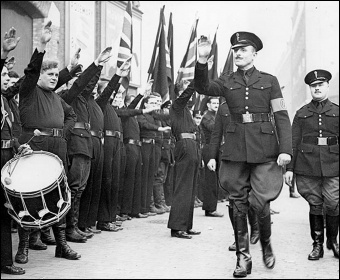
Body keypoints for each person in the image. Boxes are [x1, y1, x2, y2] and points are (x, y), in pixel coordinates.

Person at [195, 32, 292, 277]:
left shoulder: (270, 81)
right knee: (237, 203)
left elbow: (281, 116)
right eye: (235, 50)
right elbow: (203, 87)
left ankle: (267, 243)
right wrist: (202, 60)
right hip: (235, 150)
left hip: (264, 149)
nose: (238, 53)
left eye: (243, 49)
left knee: (260, 203)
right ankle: (243, 257)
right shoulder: (226, 80)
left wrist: (285, 150)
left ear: (254, 54)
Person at [18, 21, 80, 260]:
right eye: (50, 74)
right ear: (40, 76)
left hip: (57, 148)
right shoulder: (29, 91)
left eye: (57, 74)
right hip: (34, 147)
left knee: (60, 195)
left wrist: (63, 133)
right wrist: (41, 46)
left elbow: (71, 115)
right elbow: (31, 72)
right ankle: (23, 247)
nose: (55, 78)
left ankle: (61, 245)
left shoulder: (56, 98)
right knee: (31, 195)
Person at [284, 69, 339, 260]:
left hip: (334, 164)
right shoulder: (301, 114)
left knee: (333, 203)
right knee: (315, 204)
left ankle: (333, 240)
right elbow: (293, 142)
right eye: (313, 86)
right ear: (310, 88)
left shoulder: (337, 112)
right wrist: (289, 169)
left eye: (320, 85)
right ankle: (317, 245)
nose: (317, 88)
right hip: (308, 165)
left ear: (327, 86)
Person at [1, 26, 26, 275]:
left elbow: (8, 133)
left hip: (6, 158)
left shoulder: (6, 102)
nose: (6, 78)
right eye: (3, 75)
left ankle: (6, 261)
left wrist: (19, 146)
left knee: (5, 211)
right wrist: (3, 51)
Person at [167, 80, 202, 239]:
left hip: (191, 145)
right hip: (185, 145)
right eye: (186, 90)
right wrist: (198, 76)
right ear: (179, 93)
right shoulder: (177, 106)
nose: (190, 94)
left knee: (190, 188)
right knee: (183, 187)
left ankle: (186, 225)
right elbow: (187, 93)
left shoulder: (185, 110)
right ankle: (177, 227)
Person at [200, 96, 224, 217]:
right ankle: (209, 208)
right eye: (213, 103)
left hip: (216, 148)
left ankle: (211, 207)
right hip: (209, 149)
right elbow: (214, 129)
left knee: (214, 179)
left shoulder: (215, 116)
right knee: (210, 180)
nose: (216, 105)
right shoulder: (207, 117)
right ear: (208, 105)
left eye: (217, 103)